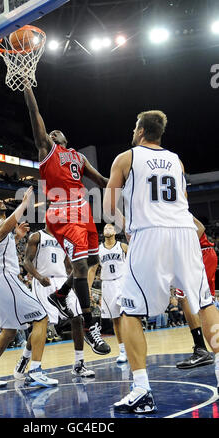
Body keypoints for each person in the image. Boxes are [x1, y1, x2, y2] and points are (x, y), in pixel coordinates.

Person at [103, 110, 219, 413]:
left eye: (134, 128)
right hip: (184, 232)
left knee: (129, 311)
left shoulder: (125, 158)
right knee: (204, 302)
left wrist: (125, 224)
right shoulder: (177, 160)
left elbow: (107, 207)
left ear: (141, 130)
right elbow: (181, 200)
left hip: (149, 234)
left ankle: (141, 389)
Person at [23, 87, 110, 356]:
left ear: (66, 137)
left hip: (83, 210)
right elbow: (34, 113)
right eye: (50, 132)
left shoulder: (79, 157)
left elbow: (103, 182)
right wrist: (27, 86)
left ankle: (61, 294)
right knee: (82, 265)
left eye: (56, 132)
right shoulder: (46, 150)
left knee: (94, 260)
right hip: (62, 211)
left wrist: (129, 183)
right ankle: (91, 326)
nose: (52, 133)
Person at [0, 187, 58, 388]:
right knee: (41, 317)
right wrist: (23, 205)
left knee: (9, 331)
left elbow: (3, 242)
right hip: (5, 279)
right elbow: (1, 230)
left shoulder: (0, 229)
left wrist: (16, 237)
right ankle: (35, 370)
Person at [19, 224, 95, 379]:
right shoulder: (37, 236)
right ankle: (25, 358)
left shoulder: (65, 239)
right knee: (41, 325)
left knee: (77, 318)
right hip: (43, 282)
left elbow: (69, 267)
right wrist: (39, 277)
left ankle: (79, 364)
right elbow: (26, 261)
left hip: (62, 282)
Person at [174, 216, 217, 369]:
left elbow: (200, 228)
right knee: (199, 302)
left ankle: (201, 349)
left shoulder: (174, 208)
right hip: (197, 256)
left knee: (188, 299)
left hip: (199, 254)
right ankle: (202, 349)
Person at [89, 223, 128, 364]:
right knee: (116, 320)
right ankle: (123, 351)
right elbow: (92, 269)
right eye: (105, 228)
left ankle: (132, 346)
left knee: (127, 315)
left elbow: (133, 262)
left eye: (110, 227)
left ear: (115, 231)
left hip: (123, 282)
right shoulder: (98, 250)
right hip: (108, 284)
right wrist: (87, 288)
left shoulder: (123, 246)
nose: (107, 229)